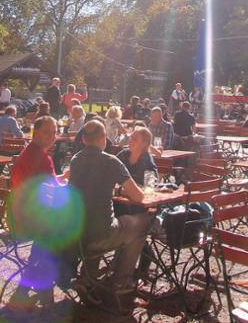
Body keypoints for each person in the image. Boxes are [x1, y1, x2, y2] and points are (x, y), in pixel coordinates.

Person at [68, 120, 147, 300]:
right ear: (104, 138)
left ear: (84, 140)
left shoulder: (75, 160)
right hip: (101, 234)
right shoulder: (111, 161)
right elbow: (139, 197)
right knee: (142, 222)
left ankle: (88, 279)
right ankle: (121, 280)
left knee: (99, 217)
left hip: (76, 235)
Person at [9, 116, 67, 308]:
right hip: (28, 219)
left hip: (21, 214)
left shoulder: (34, 153)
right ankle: (47, 288)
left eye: (54, 132)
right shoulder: (38, 157)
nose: (52, 136)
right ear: (35, 133)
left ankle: (24, 291)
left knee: (46, 243)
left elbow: (46, 185)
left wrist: (62, 179)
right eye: (46, 132)